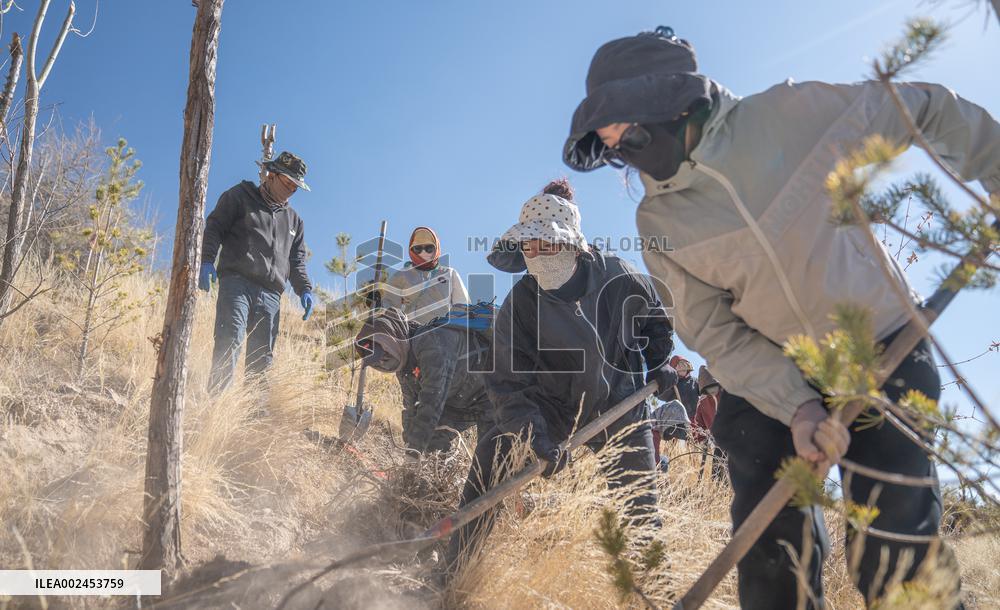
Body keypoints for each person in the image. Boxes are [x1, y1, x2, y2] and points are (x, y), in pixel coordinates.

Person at [563, 26, 999, 608]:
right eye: (613, 146)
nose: (622, 152)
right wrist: (796, 405)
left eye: (627, 133)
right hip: (767, 376)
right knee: (769, 557)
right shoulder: (659, 222)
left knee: (897, 564)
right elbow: (713, 330)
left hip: (880, 349)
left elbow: (920, 109)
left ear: (668, 101)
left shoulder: (794, 115)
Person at [447, 178, 677, 569]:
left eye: (546, 244)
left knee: (641, 516)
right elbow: (506, 384)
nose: (536, 255)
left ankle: (656, 592)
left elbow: (657, 323)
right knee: (492, 455)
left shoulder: (620, 278)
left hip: (620, 405)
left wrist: (659, 364)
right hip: (552, 406)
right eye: (528, 246)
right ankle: (452, 574)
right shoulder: (520, 305)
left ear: (572, 244)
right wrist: (533, 436)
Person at [200, 151, 314, 393]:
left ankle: (251, 418)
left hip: (271, 297)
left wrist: (305, 289)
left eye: (296, 187)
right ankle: (215, 405)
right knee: (229, 340)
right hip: (236, 285)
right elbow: (214, 227)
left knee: (262, 358)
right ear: (271, 175)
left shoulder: (295, 222)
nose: (291, 191)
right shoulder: (240, 196)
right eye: (288, 183)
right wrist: (207, 260)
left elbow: (297, 261)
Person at [354, 307, 494, 455]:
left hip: (493, 395)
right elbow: (411, 408)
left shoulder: (432, 341)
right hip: (459, 404)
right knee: (431, 443)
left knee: (488, 458)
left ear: (392, 339)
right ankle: (431, 476)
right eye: (376, 361)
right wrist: (409, 443)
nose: (382, 363)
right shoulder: (404, 366)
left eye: (383, 355)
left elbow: (432, 400)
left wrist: (414, 451)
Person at [383, 226, 469, 325]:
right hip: (411, 334)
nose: (423, 252)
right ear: (411, 250)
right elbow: (390, 308)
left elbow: (462, 306)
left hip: (443, 332)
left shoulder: (450, 273)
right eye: (418, 248)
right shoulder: (401, 275)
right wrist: (375, 304)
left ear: (436, 248)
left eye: (429, 248)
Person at [693, 365, 726, 482]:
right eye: (707, 389)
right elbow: (698, 424)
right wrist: (702, 436)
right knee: (717, 476)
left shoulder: (727, 393)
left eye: (713, 387)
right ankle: (719, 495)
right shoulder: (702, 402)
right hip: (718, 442)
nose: (711, 391)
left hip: (735, 439)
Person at [649, 396, 689, 472]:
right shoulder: (652, 431)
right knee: (663, 462)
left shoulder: (652, 424)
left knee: (663, 460)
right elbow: (654, 462)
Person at [669, 355, 700, 420]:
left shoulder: (694, 381)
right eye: (679, 365)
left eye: (684, 365)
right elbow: (662, 396)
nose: (682, 368)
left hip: (697, 418)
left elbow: (706, 393)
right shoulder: (671, 384)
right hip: (679, 420)